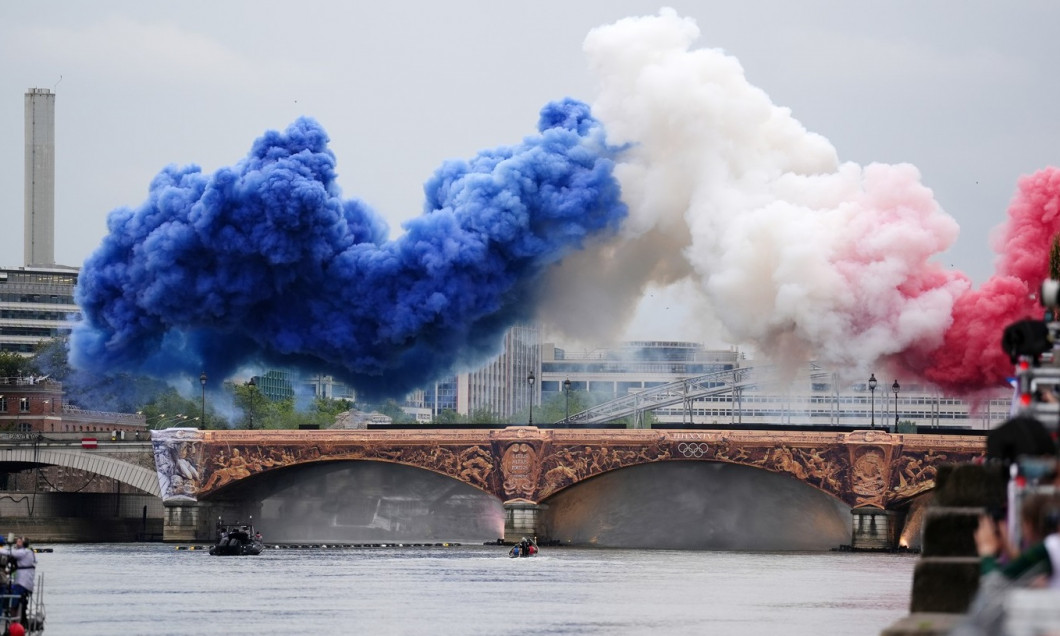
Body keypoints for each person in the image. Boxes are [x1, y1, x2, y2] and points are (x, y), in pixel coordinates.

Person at [0, 537, 36, 628]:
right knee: (17, 601)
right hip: (22, 581)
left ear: (24, 543)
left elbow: (9, 552)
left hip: (22, 583)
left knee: (15, 603)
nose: (17, 542)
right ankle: (18, 621)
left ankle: (15, 623)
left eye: (19, 541)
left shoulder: (24, 552)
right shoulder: (24, 552)